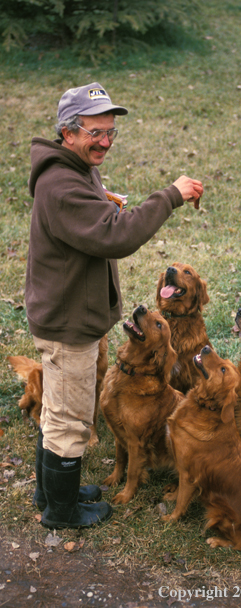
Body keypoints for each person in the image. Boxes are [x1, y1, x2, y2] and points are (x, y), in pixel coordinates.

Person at [25, 82, 203, 529]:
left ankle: (49, 491)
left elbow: (95, 221)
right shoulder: (63, 183)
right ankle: (61, 513)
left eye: (111, 132)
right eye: (94, 133)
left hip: (66, 312)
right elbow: (116, 237)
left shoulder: (74, 167)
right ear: (67, 132)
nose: (104, 142)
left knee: (56, 408)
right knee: (69, 420)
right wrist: (169, 196)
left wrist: (108, 204)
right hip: (69, 324)